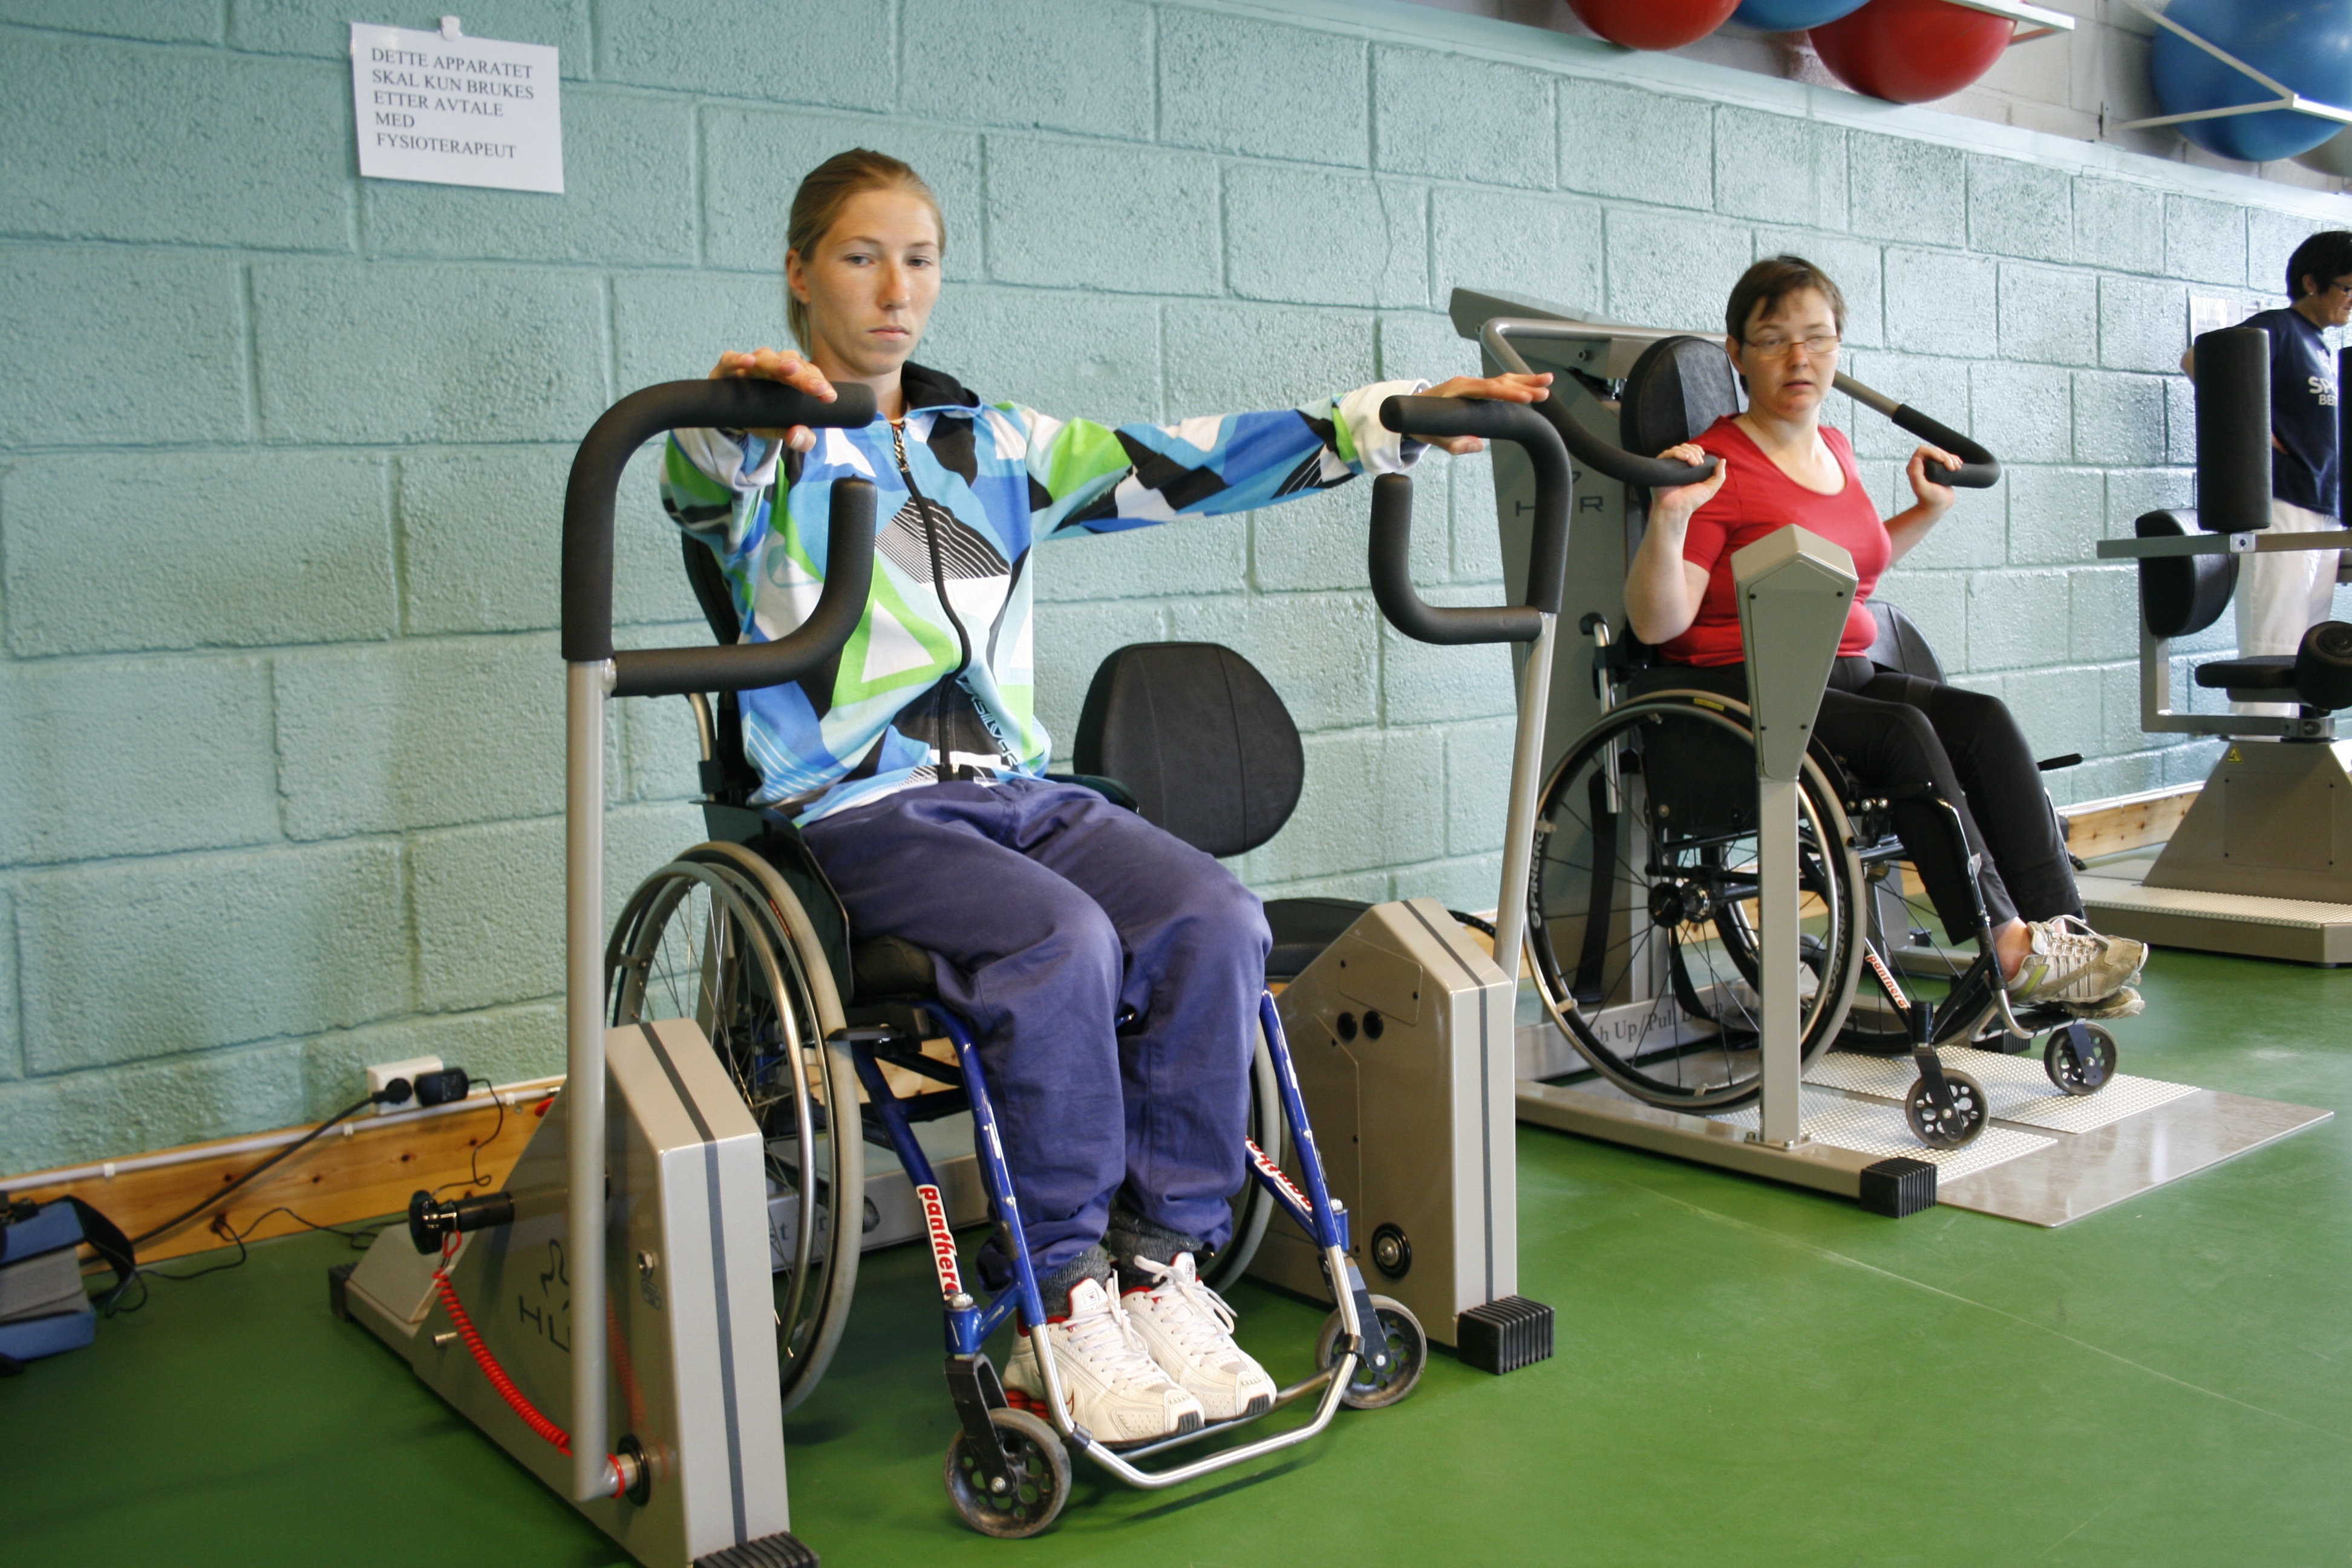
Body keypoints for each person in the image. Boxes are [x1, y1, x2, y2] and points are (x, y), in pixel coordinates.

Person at [660, 149, 1547, 1446]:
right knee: (1059, 941)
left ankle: (1159, 1264)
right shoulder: (766, 447)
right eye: (861, 255)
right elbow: (697, 478)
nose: (895, 286)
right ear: (800, 272)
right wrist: (730, 410)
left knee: (1216, 918)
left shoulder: (996, 447)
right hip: (859, 810)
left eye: (920, 257)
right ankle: (1058, 1298)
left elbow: (1197, 457)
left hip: (1017, 790)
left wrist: (1393, 417)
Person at [1624, 254, 2146, 1014]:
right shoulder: (1719, 463)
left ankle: (2060, 933)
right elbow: (1658, 623)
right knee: (1903, 732)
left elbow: (1849, 574)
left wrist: (1925, 512)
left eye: (1816, 337)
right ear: (1736, 354)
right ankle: (2007, 946)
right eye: (1772, 339)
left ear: (1838, 345)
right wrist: (1670, 517)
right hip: (1749, 685)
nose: (1798, 358)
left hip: (1841, 673)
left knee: (1982, 721)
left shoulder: (1833, 448)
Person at [2180, 231, 2352, 716]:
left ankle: (2296, 753)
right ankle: (2256, 760)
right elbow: (2198, 360)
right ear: (2311, 282)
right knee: (2276, 637)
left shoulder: (2321, 346)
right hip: (2281, 503)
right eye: (2347, 289)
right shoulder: (2278, 326)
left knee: (2310, 645)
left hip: (2321, 506)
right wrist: (2255, 435)